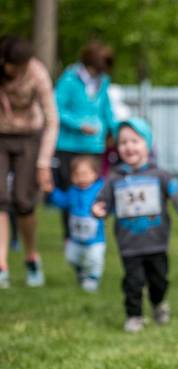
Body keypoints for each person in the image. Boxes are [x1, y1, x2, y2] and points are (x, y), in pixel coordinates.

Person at [92, 118, 178, 332]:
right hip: (129, 244)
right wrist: (98, 209)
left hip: (156, 242)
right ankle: (134, 316)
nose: (129, 147)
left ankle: (158, 303)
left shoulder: (160, 175)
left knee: (159, 281)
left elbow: (177, 193)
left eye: (135, 141)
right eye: (123, 143)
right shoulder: (114, 178)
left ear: (147, 144)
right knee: (133, 282)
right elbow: (102, 201)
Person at [0, 35, 58, 288]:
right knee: (0, 199)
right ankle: (1, 265)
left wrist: (44, 162)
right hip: (1, 135)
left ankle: (31, 256)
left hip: (29, 137)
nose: (19, 70)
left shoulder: (36, 73)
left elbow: (52, 120)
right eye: (14, 66)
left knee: (24, 201)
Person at [53, 40, 117, 241]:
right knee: (72, 192)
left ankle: (94, 233)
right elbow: (56, 108)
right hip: (69, 146)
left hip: (94, 147)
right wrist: (78, 124)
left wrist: (116, 132)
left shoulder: (103, 81)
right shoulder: (70, 80)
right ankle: (70, 235)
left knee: (95, 191)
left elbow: (106, 109)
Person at [48, 155, 106, 291]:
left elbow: (109, 202)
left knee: (95, 259)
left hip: (95, 239)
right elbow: (63, 201)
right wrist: (52, 192)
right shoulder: (72, 191)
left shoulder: (99, 190)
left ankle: (93, 277)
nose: (81, 178)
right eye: (77, 174)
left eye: (85, 174)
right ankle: (81, 271)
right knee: (71, 258)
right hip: (75, 238)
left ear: (95, 174)